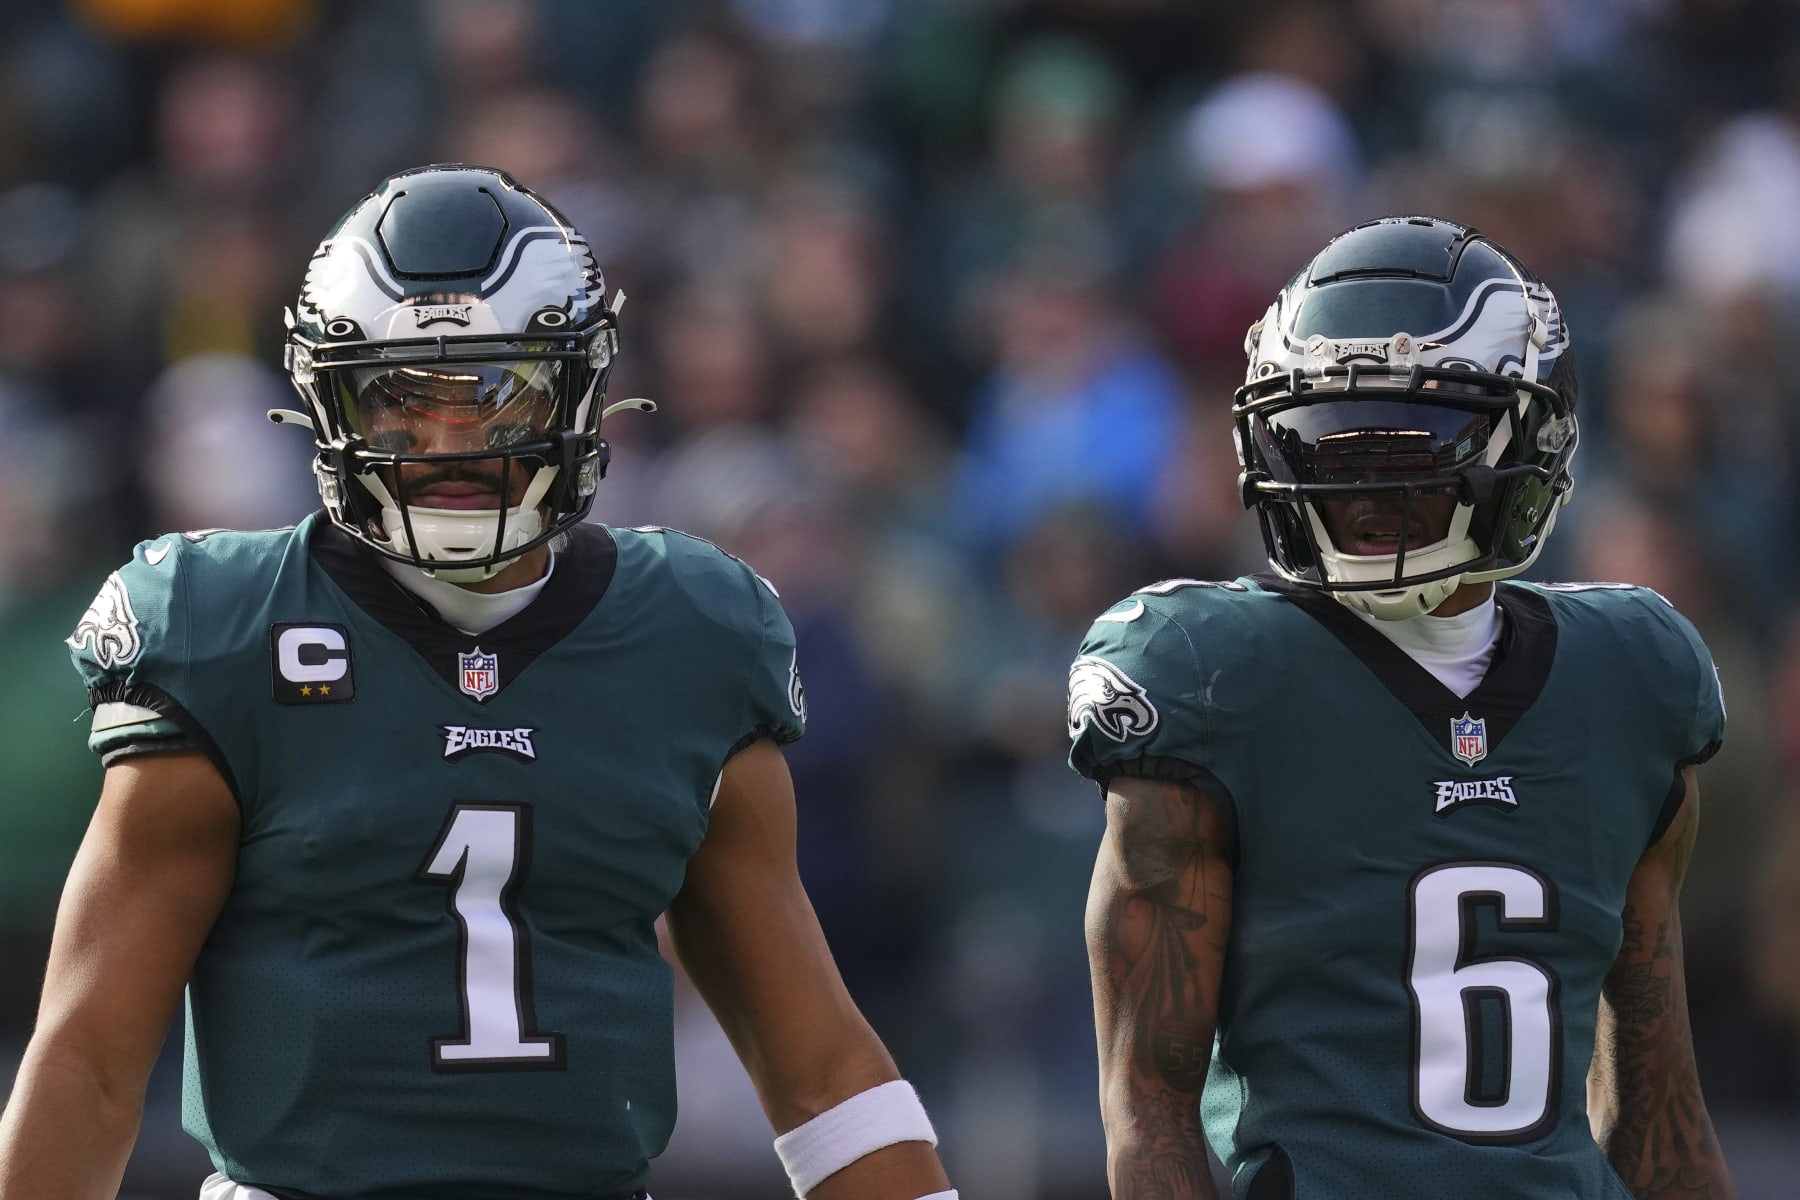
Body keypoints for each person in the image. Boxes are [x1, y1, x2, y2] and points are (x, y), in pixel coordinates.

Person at [0, 164, 956, 1200]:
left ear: (580, 390)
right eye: (400, 399)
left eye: (497, 396)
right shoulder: (224, 627)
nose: (450, 442)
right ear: (331, 403)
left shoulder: (690, 636)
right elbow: (88, 1063)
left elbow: (818, 1071)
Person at [1069, 215, 1735, 1199]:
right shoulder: (1210, 677)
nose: (1366, 484)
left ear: (1534, 438)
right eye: (1326, 444)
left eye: (1412, 442)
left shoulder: (1632, 677)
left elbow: (1657, 1104)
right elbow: (1148, 1107)